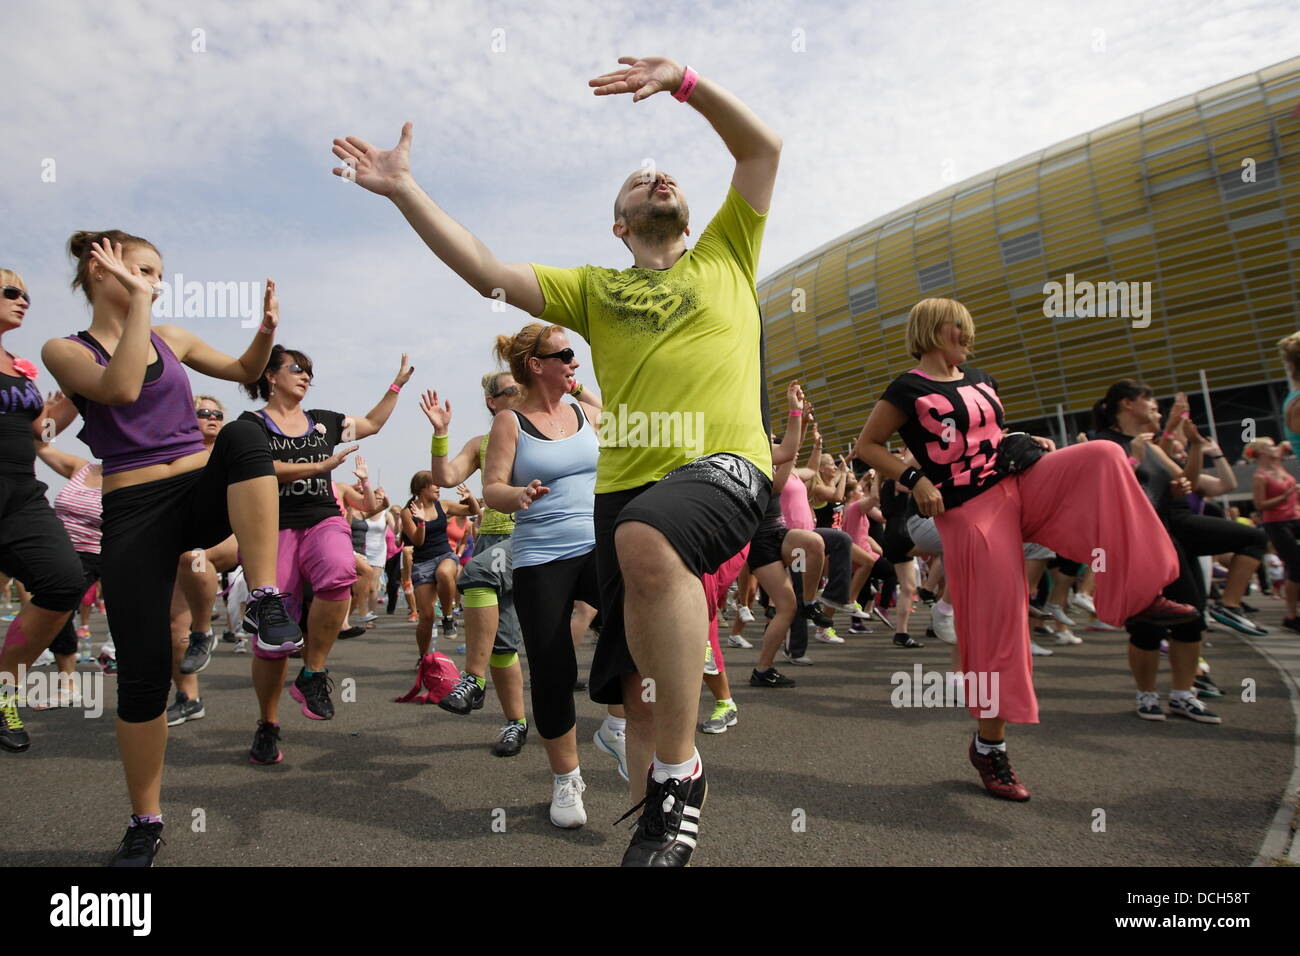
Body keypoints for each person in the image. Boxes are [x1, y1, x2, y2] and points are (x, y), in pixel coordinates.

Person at [333, 55, 779, 865]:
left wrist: (686, 82)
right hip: (628, 496)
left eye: (666, 177)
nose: (658, 177)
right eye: (638, 183)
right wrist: (404, 190)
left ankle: (682, 776)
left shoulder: (727, 253)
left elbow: (761, 151)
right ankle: (657, 827)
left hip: (722, 468)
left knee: (650, 540)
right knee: (638, 686)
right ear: (617, 226)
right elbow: (483, 269)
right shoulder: (593, 291)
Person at [854, 298, 1197, 801]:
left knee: (1104, 455)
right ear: (932, 329)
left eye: (970, 330)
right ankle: (990, 747)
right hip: (969, 509)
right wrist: (915, 477)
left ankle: (1137, 593)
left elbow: (986, 438)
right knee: (1000, 625)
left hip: (1018, 483)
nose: (968, 337)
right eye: (959, 328)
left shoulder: (981, 377)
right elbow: (867, 445)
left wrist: (1022, 440)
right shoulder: (908, 388)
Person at [42, 232, 299, 866]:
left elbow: (243, 374)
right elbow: (123, 389)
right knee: (142, 678)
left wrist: (265, 334)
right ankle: (146, 822)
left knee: (242, 435)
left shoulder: (173, 337)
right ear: (100, 270)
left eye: (159, 274)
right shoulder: (63, 349)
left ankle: (265, 598)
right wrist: (137, 307)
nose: (156, 283)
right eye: (144, 272)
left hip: (194, 491)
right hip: (132, 510)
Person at [237, 346, 408, 759]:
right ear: (270, 376)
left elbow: (372, 424)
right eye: (297, 369)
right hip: (273, 527)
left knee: (338, 572)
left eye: (310, 372)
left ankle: (312, 673)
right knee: (273, 641)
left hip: (322, 518)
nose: (306, 377)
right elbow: (258, 467)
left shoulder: (325, 422)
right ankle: (268, 723)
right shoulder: (251, 425)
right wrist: (315, 467)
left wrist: (396, 385)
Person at [483, 322, 601, 827]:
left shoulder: (582, 411)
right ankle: (566, 780)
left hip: (598, 545)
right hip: (539, 558)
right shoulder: (510, 422)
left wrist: (578, 387)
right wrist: (519, 495)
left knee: (638, 629)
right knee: (553, 671)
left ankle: (617, 722)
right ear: (537, 365)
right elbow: (492, 488)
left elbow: (618, 421)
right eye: (566, 354)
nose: (576, 361)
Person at [0, 270, 84, 750]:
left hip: (21, 494)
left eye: (27, 295)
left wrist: (77, 392)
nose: (23, 301)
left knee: (63, 579)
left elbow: (43, 433)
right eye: (11, 293)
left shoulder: (18, 367)